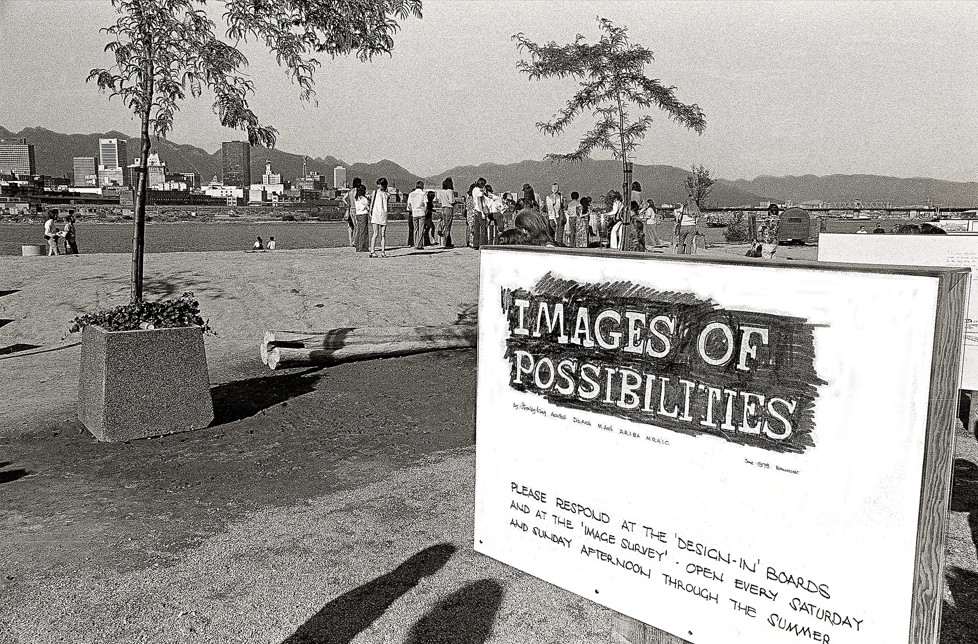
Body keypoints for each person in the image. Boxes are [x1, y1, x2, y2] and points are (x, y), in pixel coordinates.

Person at [369, 177, 389, 258]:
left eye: (379, 184)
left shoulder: (387, 194)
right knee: (376, 233)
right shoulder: (375, 192)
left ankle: (383, 251)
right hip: (376, 214)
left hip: (383, 214)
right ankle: (372, 251)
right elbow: (372, 202)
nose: (378, 185)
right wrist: (370, 211)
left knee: (383, 234)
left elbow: (386, 205)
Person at [435, 177, 456, 248]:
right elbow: (451, 201)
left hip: (443, 208)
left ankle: (447, 241)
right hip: (449, 208)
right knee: (448, 226)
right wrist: (455, 202)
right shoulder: (450, 191)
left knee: (444, 225)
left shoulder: (442, 192)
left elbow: (440, 201)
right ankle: (446, 242)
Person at [407, 180, 427, 249]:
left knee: (415, 229)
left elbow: (409, 205)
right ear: (422, 186)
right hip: (421, 212)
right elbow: (425, 204)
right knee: (421, 229)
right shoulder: (423, 194)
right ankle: (420, 245)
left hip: (414, 213)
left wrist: (412, 210)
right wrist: (425, 211)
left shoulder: (411, 194)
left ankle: (415, 244)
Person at [345, 177, 362, 247]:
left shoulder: (350, 191)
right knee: (357, 226)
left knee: (351, 226)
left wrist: (348, 204)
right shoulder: (357, 191)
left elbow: (344, 199)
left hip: (351, 209)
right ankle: (355, 241)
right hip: (356, 210)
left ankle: (351, 241)